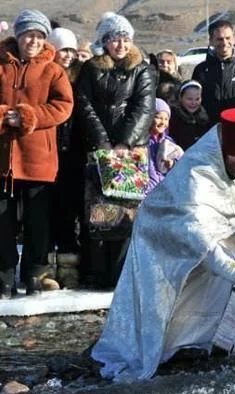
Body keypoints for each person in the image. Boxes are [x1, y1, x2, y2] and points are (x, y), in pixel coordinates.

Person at [91, 108, 235, 382]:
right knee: (195, 288)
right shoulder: (196, 177)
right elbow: (198, 239)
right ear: (234, 154)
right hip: (163, 247)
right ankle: (167, 345)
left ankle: (216, 341)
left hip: (204, 246)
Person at [75, 11, 155, 289]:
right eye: (115, 39)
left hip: (130, 152)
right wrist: (103, 143)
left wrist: (124, 143)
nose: (121, 45)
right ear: (104, 41)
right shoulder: (91, 69)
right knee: (99, 212)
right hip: (99, 151)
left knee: (126, 211)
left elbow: (143, 108)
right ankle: (98, 273)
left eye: (125, 39)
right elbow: (85, 106)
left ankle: (121, 275)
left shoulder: (142, 69)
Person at [0, 10, 74, 299]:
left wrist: (30, 116)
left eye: (39, 36)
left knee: (37, 220)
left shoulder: (53, 70)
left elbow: (63, 105)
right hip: (3, 158)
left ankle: (35, 274)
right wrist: (4, 115)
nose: (33, 41)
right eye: (28, 35)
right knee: (2, 220)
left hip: (38, 157)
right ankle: (4, 276)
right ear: (18, 36)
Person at [47, 27, 85, 289]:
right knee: (47, 211)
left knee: (71, 211)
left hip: (74, 151)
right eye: (63, 50)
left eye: (72, 50)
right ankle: (47, 267)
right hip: (47, 151)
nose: (69, 55)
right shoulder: (46, 75)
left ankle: (70, 267)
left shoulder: (81, 78)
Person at [146, 98, 183, 194]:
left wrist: (172, 164)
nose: (163, 122)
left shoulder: (168, 142)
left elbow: (181, 162)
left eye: (166, 119)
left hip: (163, 191)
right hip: (146, 190)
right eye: (158, 117)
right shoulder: (142, 140)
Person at [169, 80, 210, 151]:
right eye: (189, 99)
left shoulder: (203, 118)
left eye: (197, 99)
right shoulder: (173, 117)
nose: (193, 103)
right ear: (181, 98)